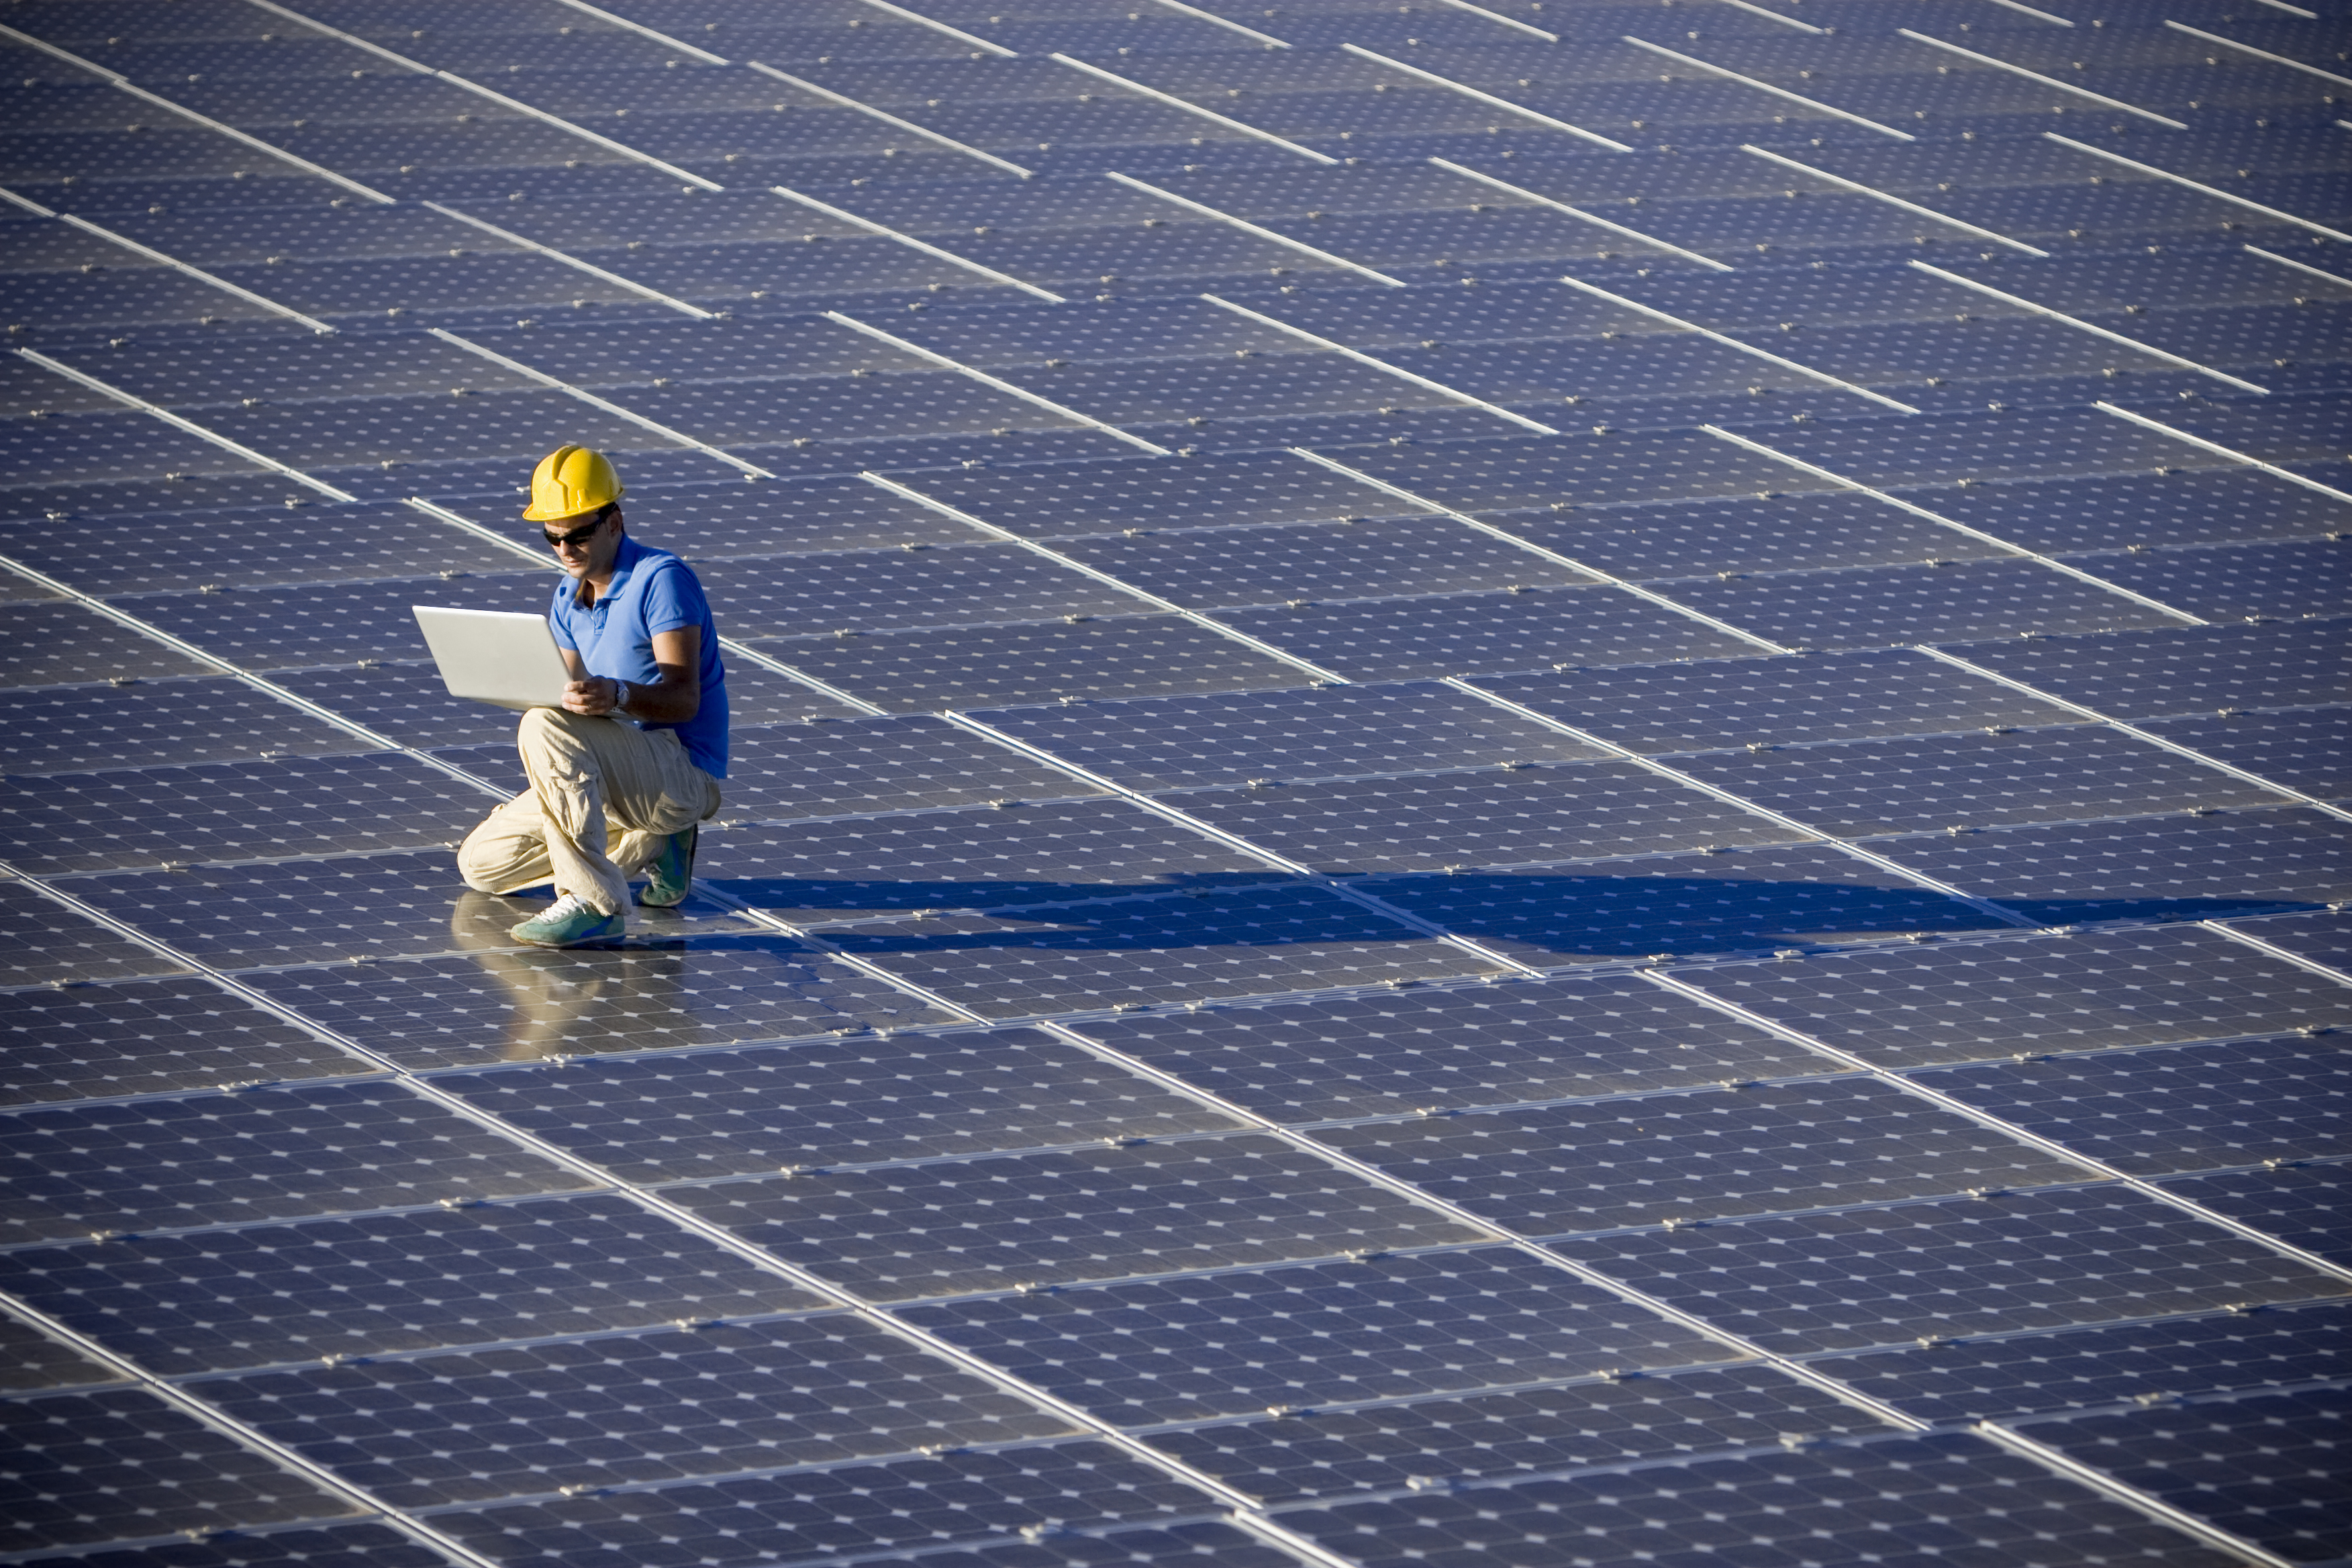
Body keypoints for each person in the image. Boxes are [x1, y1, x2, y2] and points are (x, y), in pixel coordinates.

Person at [456, 446, 729, 948]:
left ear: (614, 522)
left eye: (578, 534)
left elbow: (684, 700)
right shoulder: (567, 596)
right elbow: (564, 700)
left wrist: (619, 696)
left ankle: (596, 904)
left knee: (540, 725)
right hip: (612, 774)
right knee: (480, 866)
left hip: (679, 773)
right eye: (553, 537)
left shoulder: (661, 580)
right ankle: (653, 844)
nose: (565, 549)